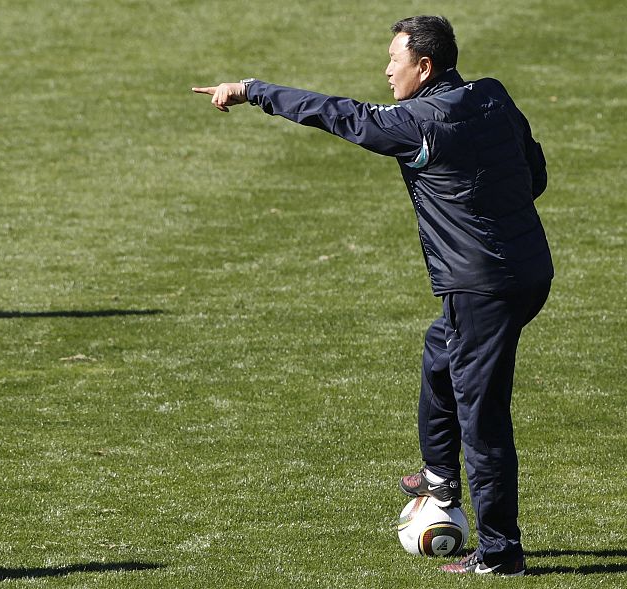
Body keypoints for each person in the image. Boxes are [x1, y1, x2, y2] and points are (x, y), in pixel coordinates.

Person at [193, 15, 552, 577]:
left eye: (394, 60)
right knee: (440, 356)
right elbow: (535, 175)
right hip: (529, 272)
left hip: (481, 287)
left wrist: (253, 90)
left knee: (482, 418)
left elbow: (340, 115)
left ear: (424, 67)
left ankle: (501, 554)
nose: (387, 71)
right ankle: (439, 478)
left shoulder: (417, 125)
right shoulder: (491, 96)